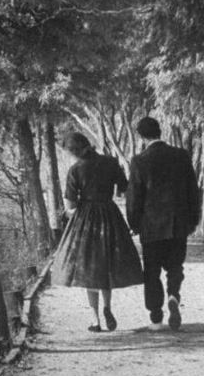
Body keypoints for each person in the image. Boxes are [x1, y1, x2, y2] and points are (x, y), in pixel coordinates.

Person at [51, 132, 143, 332]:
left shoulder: (75, 170)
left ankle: (95, 321)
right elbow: (124, 188)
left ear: (73, 151)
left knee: (88, 268)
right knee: (107, 264)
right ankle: (107, 307)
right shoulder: (111, 162)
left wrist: (77, 212)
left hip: (86, 218)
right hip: (110, 215)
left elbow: (70, 205)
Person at [126, 117, 200, 330]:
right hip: (178, 224)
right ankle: (174, 296)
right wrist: (193, 220)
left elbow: (134, 197)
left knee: (151, 270)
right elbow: (192, 191)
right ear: (160, 131)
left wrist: (134, 223)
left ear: (141, 137)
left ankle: (156, 317)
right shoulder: (181, 156)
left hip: (152, 226)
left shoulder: (139, 161)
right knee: (175, 266)